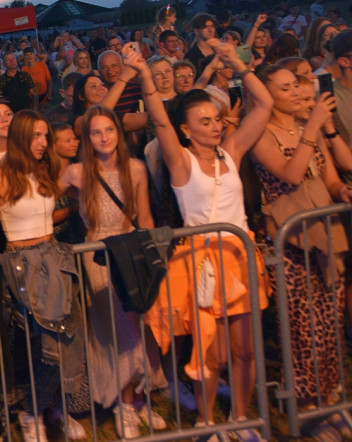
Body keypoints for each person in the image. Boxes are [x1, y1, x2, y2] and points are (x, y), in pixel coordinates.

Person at [129, 41, 271, 439]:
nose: (216, 125)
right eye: (204, 121)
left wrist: (235, 62)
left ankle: (241, 418)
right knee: (211, 352)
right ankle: (207, 421)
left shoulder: (231, 152)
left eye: (217, 118)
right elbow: (158, 120)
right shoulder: (181, 161)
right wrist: (143, 73)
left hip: (240, 258)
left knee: (243, 350)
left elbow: (263, 106)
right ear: (186, 130)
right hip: (202, 263)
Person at [250, 65, 352, 439]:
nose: (295, 93)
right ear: (267, 95)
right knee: (304, 328)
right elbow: (290, 175)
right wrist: (310, 129)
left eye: (296, 86)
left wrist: (341, 191)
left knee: (332, 320)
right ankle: (306, 410)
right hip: (291, 244)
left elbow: (332, 176)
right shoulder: (261, 133)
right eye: (285, 88)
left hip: (326, 235)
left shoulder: (308, 125)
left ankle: (331, 398)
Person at [59, 106, 165, 438]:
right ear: (87, 138)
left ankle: (138, 399)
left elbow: (144, 215)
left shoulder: (135, 168)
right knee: (117, 334)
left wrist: (153, 259)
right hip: (99, 257)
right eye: (96, 132)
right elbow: (41, 197)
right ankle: (124, 405)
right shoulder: (77, 173)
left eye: (110, 130)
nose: (104, 137)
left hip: (132, 252)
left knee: (140, 330)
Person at [0, 110, 84, 440]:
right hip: (22, 263)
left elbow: (44, 206)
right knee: (41, 348)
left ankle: (51, 407)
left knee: (65, 340)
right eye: (36, 136)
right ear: (20, 137)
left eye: (45, 136)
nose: (43, 143)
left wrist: (73, 195)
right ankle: (32, 414)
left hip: (53, 255)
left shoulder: (44, 171)